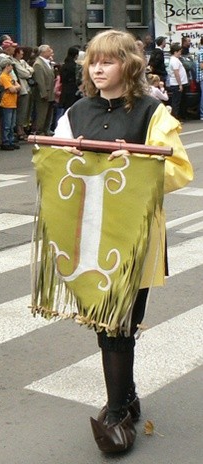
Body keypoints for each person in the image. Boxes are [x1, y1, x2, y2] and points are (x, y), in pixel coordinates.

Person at [51, 29, 193, 454]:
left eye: (108, 61)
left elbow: (179, 169)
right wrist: (66, 159)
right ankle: (125, 399)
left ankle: (116, 412)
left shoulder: (154, 113)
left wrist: (138, 164)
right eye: (93, 60)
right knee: (104, 319)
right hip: (87, 232)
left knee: (120, 320)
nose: (97, 68)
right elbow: (52, 163)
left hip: (134, 235)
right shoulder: (75, 111)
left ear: (128, 66)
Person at [0, 58, 20, 151]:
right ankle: (5, 141)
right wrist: (15, 87)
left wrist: (15, 87)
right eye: (10, 65)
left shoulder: (9, 76)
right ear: (7, 66)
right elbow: (12, 89)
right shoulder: (3, 77)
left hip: (13, 102)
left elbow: (18, 86)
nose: (12, 67)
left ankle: (11, 141)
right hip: (7, 102)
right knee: (7, 124)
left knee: (12, 124)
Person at [167, 42, 187, 120]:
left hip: (177, 83)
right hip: (176, 84)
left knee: (179, 101)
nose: (180, 53)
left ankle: (179, 116)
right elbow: (176, 73)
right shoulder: (174, 60)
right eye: (179, 52)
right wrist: (180, 84)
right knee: (176, 102)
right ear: (175, 52)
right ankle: (175, 117)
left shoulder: (175, 60)